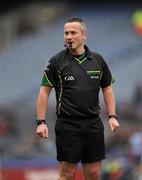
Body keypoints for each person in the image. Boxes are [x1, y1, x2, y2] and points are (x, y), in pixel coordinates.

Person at [36, 17, 120, 180]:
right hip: (68, 125)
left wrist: (112, 116)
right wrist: (41, 122)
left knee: (94, 174)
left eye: (73, 33)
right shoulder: (56, 61)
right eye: (66, 33)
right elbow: (44, 92)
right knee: (67, 174)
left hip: (93, 124)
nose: (68, 36)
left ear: (84, 36)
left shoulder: (98, 60)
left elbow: (107, 88)